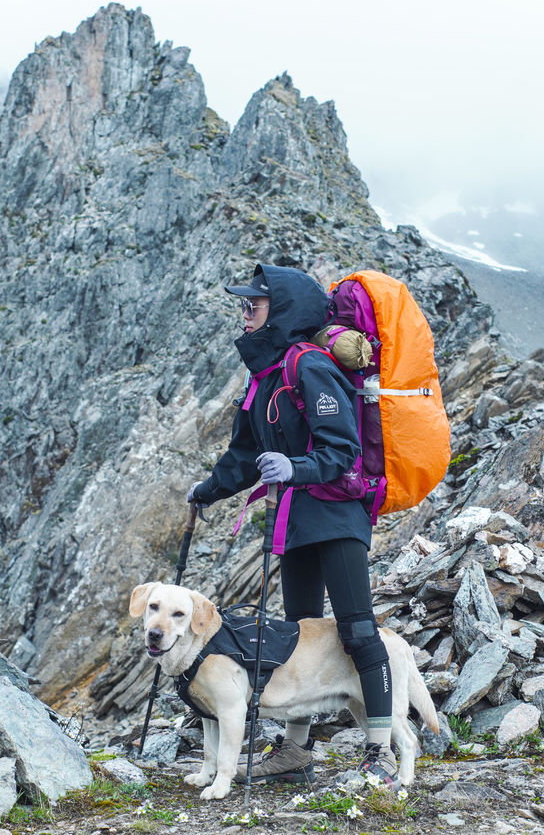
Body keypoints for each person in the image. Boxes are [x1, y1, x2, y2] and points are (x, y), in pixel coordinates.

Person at [187, 264, 398, 789]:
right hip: (296, 521)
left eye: (254, 303)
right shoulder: (263, 377)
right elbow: (242, 457)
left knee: (357, 630)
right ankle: (297, 754)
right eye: (243, 303)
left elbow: (343, 449)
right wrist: (205, 493)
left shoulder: (310, 367)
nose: (244, 311)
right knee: (300, 635)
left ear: (279, 310)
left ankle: (381, 752)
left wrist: (295, 468)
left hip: (337, 513)